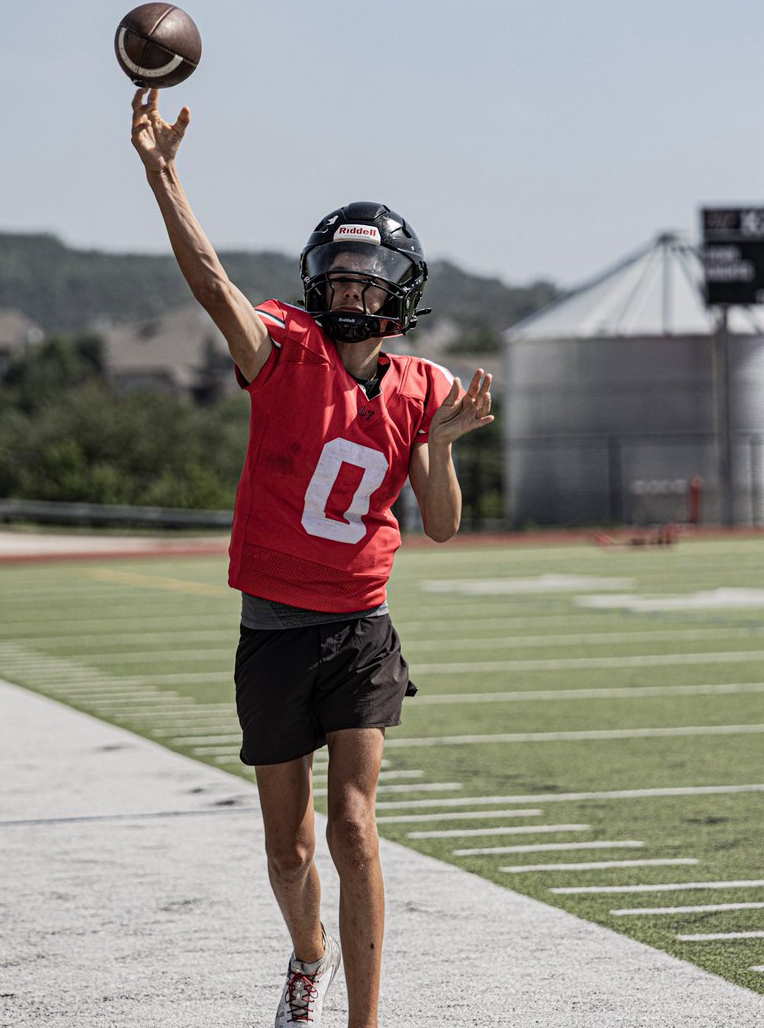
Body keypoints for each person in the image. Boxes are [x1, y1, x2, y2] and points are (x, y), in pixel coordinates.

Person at [130, 88, 493, 1028]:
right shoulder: (283, 351)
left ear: (401, 291)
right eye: (336, 278)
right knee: (289, 850)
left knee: (354, 828)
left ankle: (365, 1021)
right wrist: (162, 171)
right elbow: (211, 283)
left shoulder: (422, 387)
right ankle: (308, 956)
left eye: (366, 281)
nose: (347, 292)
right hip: (276, 628)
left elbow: (444, 526)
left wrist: (444, 446)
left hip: (361, 628)